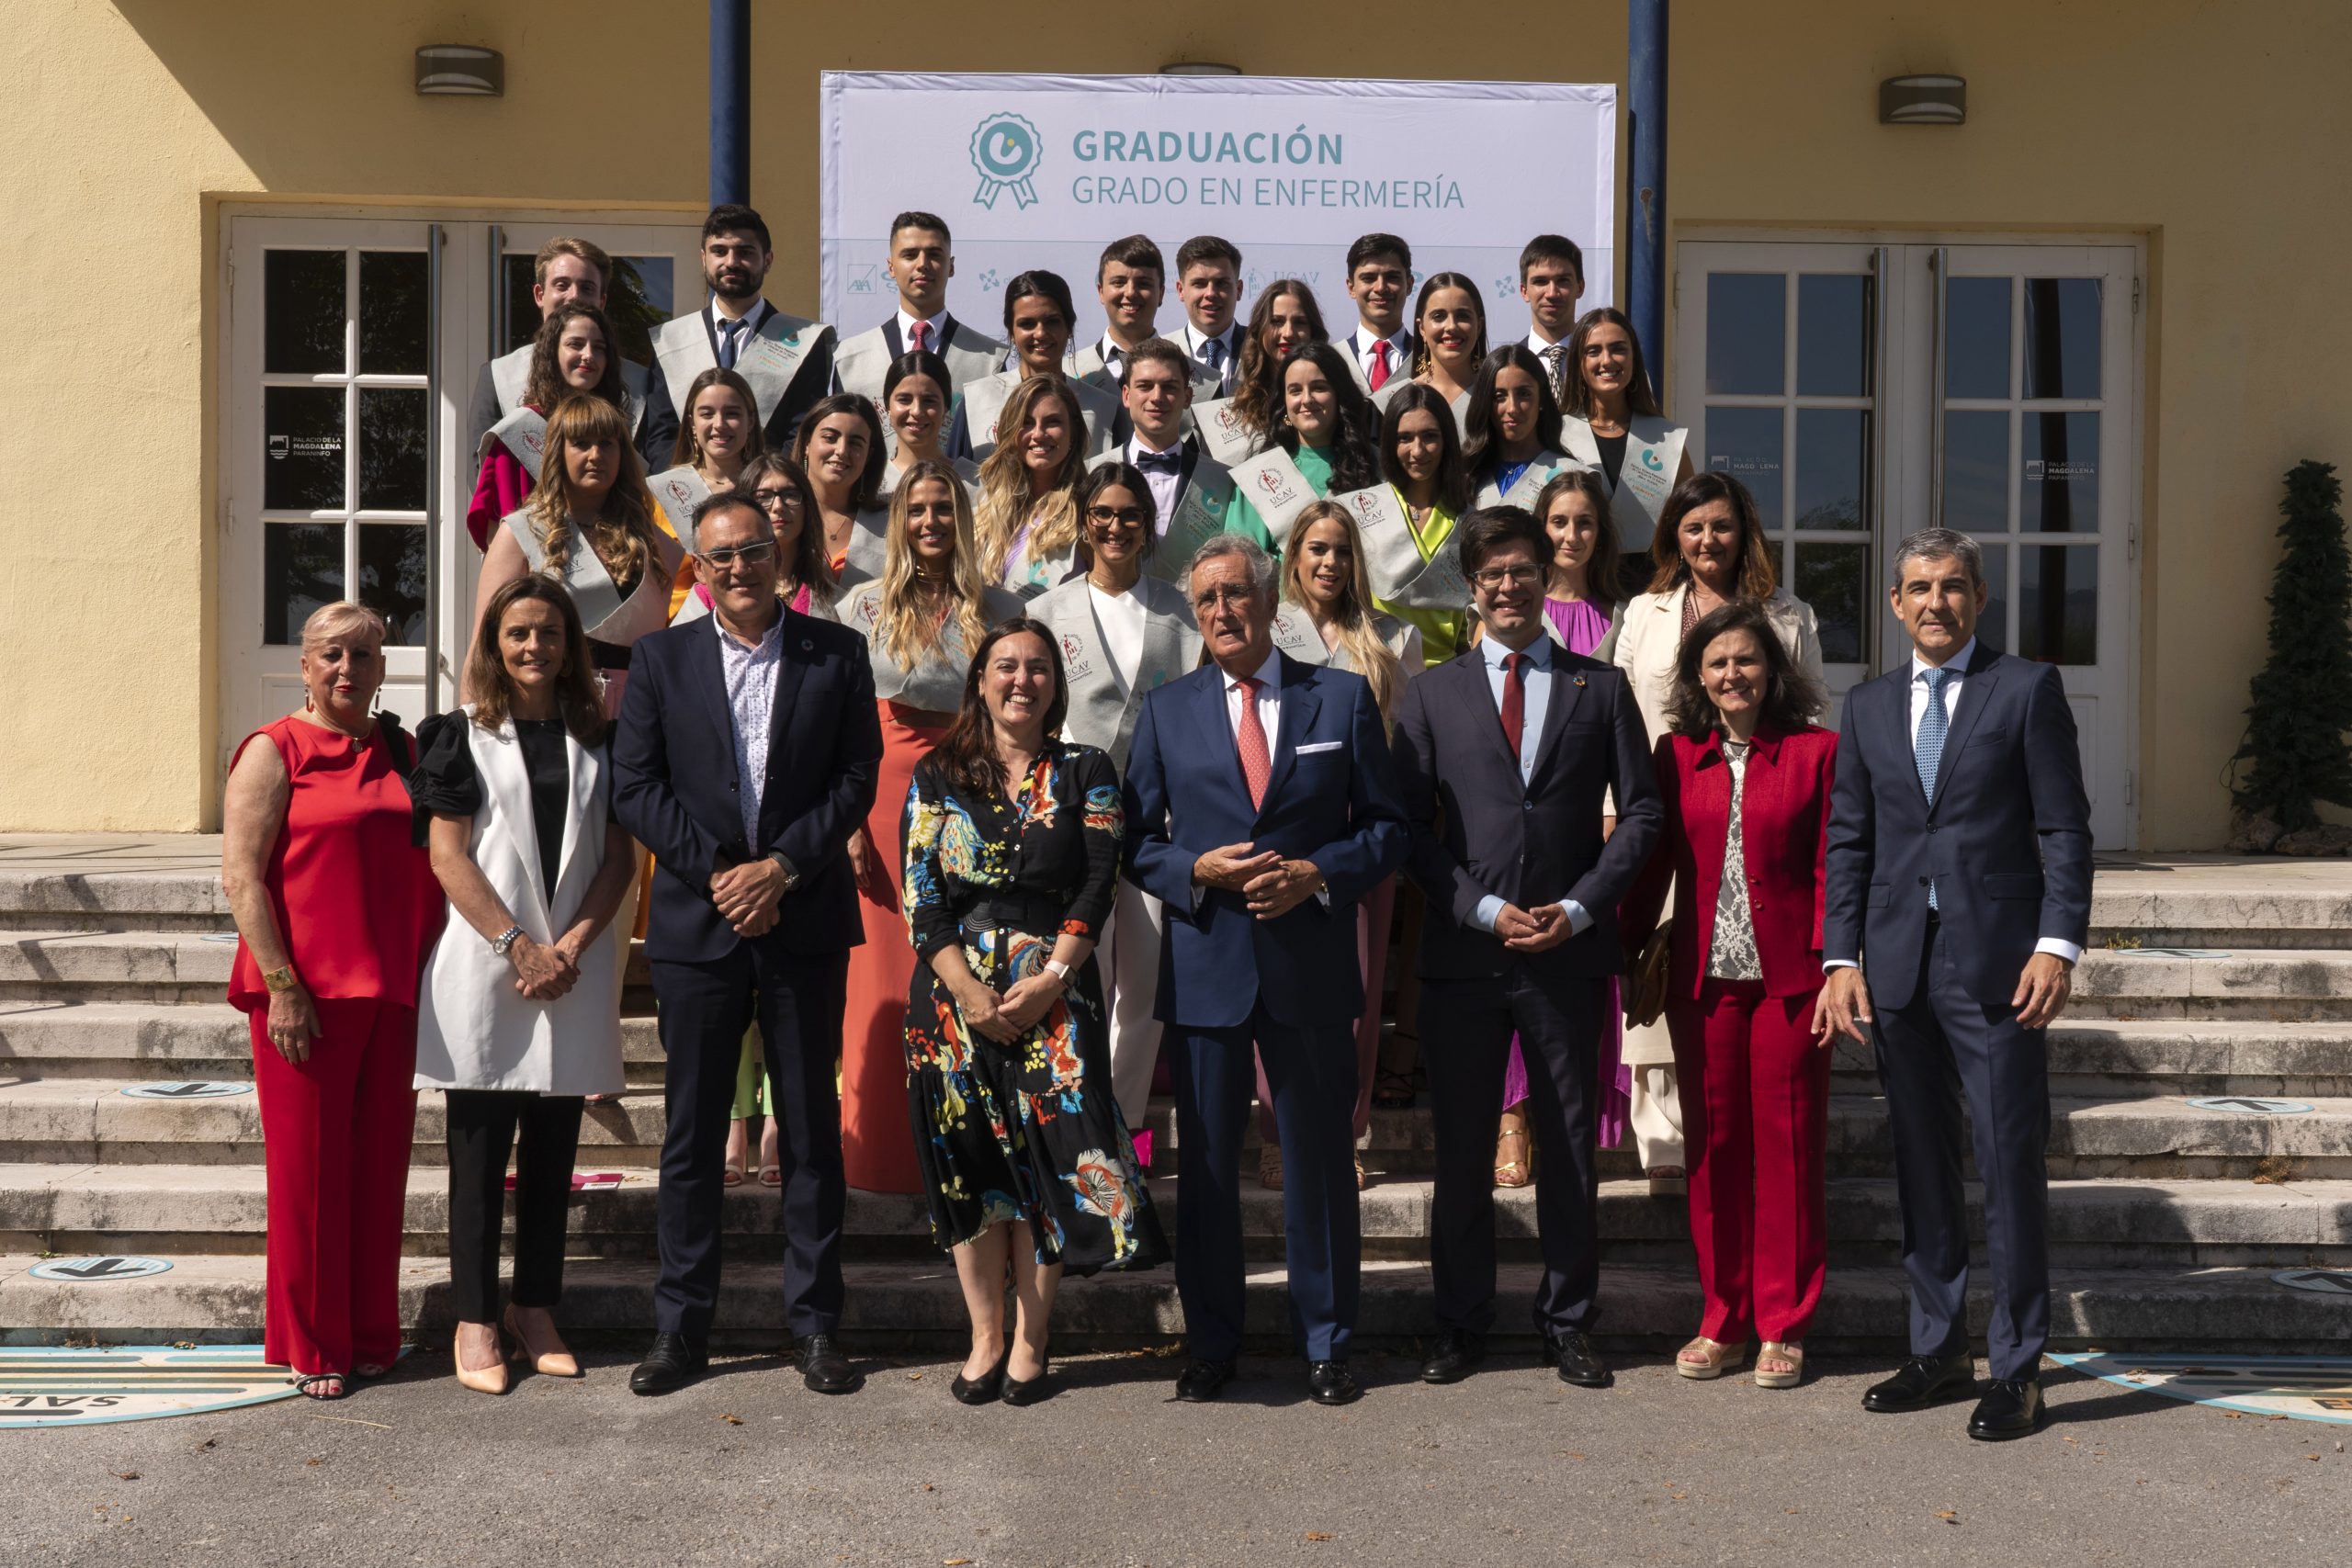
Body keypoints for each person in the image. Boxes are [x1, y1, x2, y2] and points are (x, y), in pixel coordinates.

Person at [1122, 533, 1409, 1407]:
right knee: (1207, 1168)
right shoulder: (1168, 710)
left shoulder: (1342, 698)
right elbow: (1134, 840)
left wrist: (1319, 872)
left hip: (1309, 963)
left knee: (1319, 1163)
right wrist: (1195, 872)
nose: (1220, 612)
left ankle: (1327, 1340)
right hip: (1209, 965)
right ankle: (1212, 1339)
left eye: (1235, 594)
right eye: (1205, 599)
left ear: (1270, 597)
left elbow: (1389, 828)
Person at [1817, 528, 2091, 1442]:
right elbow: (1848, 841)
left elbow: (2063, 828)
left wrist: (2056, 943)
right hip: (1895, 963)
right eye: (1917, 588)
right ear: (1894, 604)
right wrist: (1839, 957)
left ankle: (2016, 1368)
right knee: (1921, 1161)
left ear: (1977, 596)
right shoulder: (1863, 708)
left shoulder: (2025, 690)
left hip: (2001, 963)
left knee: (2009, 1160)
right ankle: (1937, 1349)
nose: (1935, 603)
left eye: (1951, 586)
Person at [612, 490, 884, 1398]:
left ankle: (815, 1326)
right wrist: (724, 874)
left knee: (809, 1130)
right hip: (699, 924)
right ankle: (680, 1330)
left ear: (780, 554)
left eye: (753, 552)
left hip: (802, 919)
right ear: (701, 563)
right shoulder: (661, 658)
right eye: (720, 555)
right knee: (691, 1136)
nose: (738, 569)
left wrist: (784, 869)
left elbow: (856, 776)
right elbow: (637, 786)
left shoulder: (836, 652)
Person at [1389, 507, 1661, 1390]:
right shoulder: (1431, 693)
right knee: (1463, 1148)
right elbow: (1406, 827)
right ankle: (1459, 1323)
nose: (1509, 585)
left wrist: (1583, 909)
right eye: (1493, 573)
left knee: (1573, 1148)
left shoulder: (1602, 686)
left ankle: (1568, 1320)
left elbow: (1645, 813)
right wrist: (1477, 908)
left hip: (1568, 955)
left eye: (1523, 569)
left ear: (1548, 577)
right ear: (1472, 588)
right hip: (1467, 955)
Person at [903, 617, 1170, 1405]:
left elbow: (1098, 881)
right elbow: (923, 896)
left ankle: (1032, 1336)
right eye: (1006, 667)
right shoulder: (937, 774)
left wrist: (1053, 975)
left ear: (1056, 684)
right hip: (953, 1001)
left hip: (1057, 995)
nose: (1022, 680)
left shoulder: (1086, 768)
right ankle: (985, 1333)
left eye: (1038, 668)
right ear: (980, 681)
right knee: (974, 1172)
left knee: (1051, 1167)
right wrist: (968, 989)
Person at [412, 578, 637, 1394]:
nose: (534, 647)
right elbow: (449, 855)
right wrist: (518, 947)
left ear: (570, 644)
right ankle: (476, 1316)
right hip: (488, 964)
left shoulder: (600, 737)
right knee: (477, 1156)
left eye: (548, 633)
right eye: (518, 634)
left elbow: (619, 857)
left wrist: (570, 944)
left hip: (572, 966)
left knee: (553, 1156)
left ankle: (534, 1306)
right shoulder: (459, 735)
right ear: (494, 646)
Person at [219, 602, 445, 1401]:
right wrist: (281, 986)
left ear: (385, 667)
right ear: (305, 666)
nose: (349, 669)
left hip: (390, 988)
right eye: (332, 655)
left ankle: (372, 1333)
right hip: (304, 997)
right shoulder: (272, 750)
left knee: (379, 1170)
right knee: (310, 1176)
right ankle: (312, 1344)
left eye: (365, 655)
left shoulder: (404, 748)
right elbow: (242, 877)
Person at [1619, 601, 1837, 1390]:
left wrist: (1837, 968)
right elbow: (1650, 866)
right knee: (1712, 1153)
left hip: (1791, 983)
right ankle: (1724, 1316)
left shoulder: (1818, 753)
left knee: (1787, 1149)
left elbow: (1830, 871)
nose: (1732, 674)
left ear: (1772, 670)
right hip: (1704, 985)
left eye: (1746, 660)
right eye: (1716, 664)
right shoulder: (1675, 756)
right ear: (1697, 679)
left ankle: (1783, 1322)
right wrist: (1617, 947)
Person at [1614, 471, 1823, 1195]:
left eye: (1722, 526)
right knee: (1663, 965)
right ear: (1674, 532)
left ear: (1745, 533)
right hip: (1663, 796)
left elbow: (1811, 712)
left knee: (1731, 962)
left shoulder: (1786, 613)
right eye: (1693, 525)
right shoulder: (1643, 611)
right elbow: (1619, 718)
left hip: (1759, 801)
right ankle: (1661, 1127)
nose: (1709, 539)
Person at [836, 465, 1026, 1195]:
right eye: (916, 509)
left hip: (977, 790)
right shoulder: (861, 606)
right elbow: (840, 719)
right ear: (898, 521)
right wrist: (850, 817)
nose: (929, 522)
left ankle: (970, 1159)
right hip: (884, 797)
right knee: (886, 973)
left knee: (971, 961)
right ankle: (882, 1158)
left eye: (943, 508)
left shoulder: (1003, 605)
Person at [1030, 465, 1203, 1168]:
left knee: (1148, 979)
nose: (1116, 526)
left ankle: (1124, 1119)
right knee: (1079, 974)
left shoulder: (1181, 609)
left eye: (1131, 513)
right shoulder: (1046, 610)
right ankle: (1078, 1119)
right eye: (1103, 512)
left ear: (1148, 524)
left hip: (1156, 821)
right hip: (1074, 823)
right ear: (1084, 519)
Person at [1254, 498, 1419, 1193]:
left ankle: (1342, 1130)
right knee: (1274, 982)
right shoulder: (1268, 632)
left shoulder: (1393, 637)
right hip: (1279, 826)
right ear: (1294, 558)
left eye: (1342, 550)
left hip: (1357, 834)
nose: (1329, 562)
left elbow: (1400, 746)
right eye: (1316, 549)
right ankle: (1274, 1132)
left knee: (1355, 987)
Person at [1485, 468, 1633, 1187]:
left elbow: (1614, 740)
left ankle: (1579, 1119)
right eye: (1558, 522)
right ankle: (1513, 1116)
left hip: (1589, 832)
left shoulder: (1619, 622)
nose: (1571, 534)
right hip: (1510, 850)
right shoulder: (1509, 622)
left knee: (1574, 978)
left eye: (1585, 523)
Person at [474, 395, 685, 719]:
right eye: (581, 443)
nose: (595, 455)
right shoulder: (519, 534)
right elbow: (482, 646)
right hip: (548, 710)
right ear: (559, 451)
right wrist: (471, 730)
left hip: (635, 714)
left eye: (607, 443)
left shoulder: (653, 541)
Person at [640, 204, 836, 468]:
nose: (731, 262)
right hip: (689, 499)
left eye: (744, 252)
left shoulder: (804, 341)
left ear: (767, 261)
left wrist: (767, 487)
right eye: (719, 251)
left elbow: (800, 433)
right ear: (703, 259)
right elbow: (661, 435)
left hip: (769, 496)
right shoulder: (671, 339)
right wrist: (692, 490)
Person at [467, 236, 650, 465]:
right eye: (562, 285)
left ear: (602, 301)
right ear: (539, 295)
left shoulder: (640, 384)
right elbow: (484, 473)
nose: (574, 296)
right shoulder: (498, 376)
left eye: (587, 287)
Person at [1097, 336, 1265, 579]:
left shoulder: (1224, 481)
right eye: (1145, 386)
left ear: (1188, 397)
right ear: (1126, 395)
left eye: (1169, 387)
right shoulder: (1092, 472)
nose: (1157, 397)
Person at [465, 303, 631, 549]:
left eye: (599, 348)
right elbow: (495, 532)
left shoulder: (614, 431)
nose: (588, 355)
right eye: (575, 344)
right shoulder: (518, 435)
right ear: (552, 352)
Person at [1557, 307, 1692, 592]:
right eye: (1593, 351)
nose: (1607, 360)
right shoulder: (1557, 436)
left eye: (1618, 349)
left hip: (1654, 591)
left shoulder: (1667, 439)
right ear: (1579, 363)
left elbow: (1691, 520)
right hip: (1580, 592)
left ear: (1633, 358)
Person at [833, 210, 1007, 410]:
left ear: (950, 266)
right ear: (891, 266)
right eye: (910, 255)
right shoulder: (849, 359)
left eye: (934, 254)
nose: (922, 264)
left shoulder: (990, 361)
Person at [946, 269, 1116, 463]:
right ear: (1011, 331)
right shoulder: (977, 401)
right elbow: (957, 482)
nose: (1040, 333)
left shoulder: (1103, 408)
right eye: (1027, 324)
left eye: (1052, 322)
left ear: (1069, 327)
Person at [1227, 344, 1383, 547]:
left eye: (1319, 388)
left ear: (1339, 395)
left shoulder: (1376, 464)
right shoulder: (1260, 474)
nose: (1307, 399)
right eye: (1295, 391)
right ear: (1284, 401)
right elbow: (1241, 558)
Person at [1370, 381, 1474, 668]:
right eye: (1405, 438)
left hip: (1446, 673)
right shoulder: (1368, 510)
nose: (1417, 451)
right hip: (1379, 670)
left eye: (1429, 436)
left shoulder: (1468, 522)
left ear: (1446, 442)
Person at [970, 375, 1089, 597]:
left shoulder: (1088, 513)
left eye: (1053, 422)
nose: (1038, 434)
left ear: (1073, 432)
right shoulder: (986, 512)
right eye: (1026, 423)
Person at [644, 367, 764, 551]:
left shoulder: (771, 485)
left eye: (732, 413)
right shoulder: (660, 491)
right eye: (707, 414)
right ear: (692, 423)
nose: (719, 424)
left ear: (751, 421)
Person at [1464, 344, 1582, 508]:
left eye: (1524, 394)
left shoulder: (1570, 474)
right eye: (1499, 396)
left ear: (1541, 399)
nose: (1512, 408)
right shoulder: (1467, 476)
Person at [791, 391, 889, 580]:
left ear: (869, 455)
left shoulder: (890, 524)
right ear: (806, 443)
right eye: (830, 438)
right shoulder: (777, 512)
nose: (842, 451)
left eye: (855, 443)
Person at [1225, 280, 1329, 455]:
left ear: (1313, 330)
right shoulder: (1238, 402)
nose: (1288, 333)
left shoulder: (1331, 398)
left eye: (1299, 322)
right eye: (1276, 321)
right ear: (1260, 329)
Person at [1372, 272, 1487, 429]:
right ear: (1422, 328)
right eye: (1439, 316)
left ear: (1478, 326)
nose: (1451, 326)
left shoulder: (1498, 398)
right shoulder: (1389, 402)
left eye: (1463, 316)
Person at [876, 349, 980, 505]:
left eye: (929, 401)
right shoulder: (871, 484)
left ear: (945, 407)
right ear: (887, 406)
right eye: (904, 400)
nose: (917, 411)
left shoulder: (976, 483)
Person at [1340, 233, 1416, 394]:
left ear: (1409, 285)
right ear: (1351, 287)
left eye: (1392, 277)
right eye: (1368, 278)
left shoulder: (1429, 360)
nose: (1380, 287)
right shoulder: (1331, 361)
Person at [1518, 235, 1588, 409]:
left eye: (1562, 281)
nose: (1551, 293)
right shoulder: (1508, 366)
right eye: (1540, 282)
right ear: (1524, 291)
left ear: (1580, 287)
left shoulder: (1602, 363)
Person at [1172, 234, 1246, 394]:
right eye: (1199, 284)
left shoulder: (1264, 348)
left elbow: (1286, 415)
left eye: (1222, 283)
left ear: (1238, 290)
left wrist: (1285, 421)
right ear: (1181, 290)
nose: (1211, 293)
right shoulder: (1161, 352)